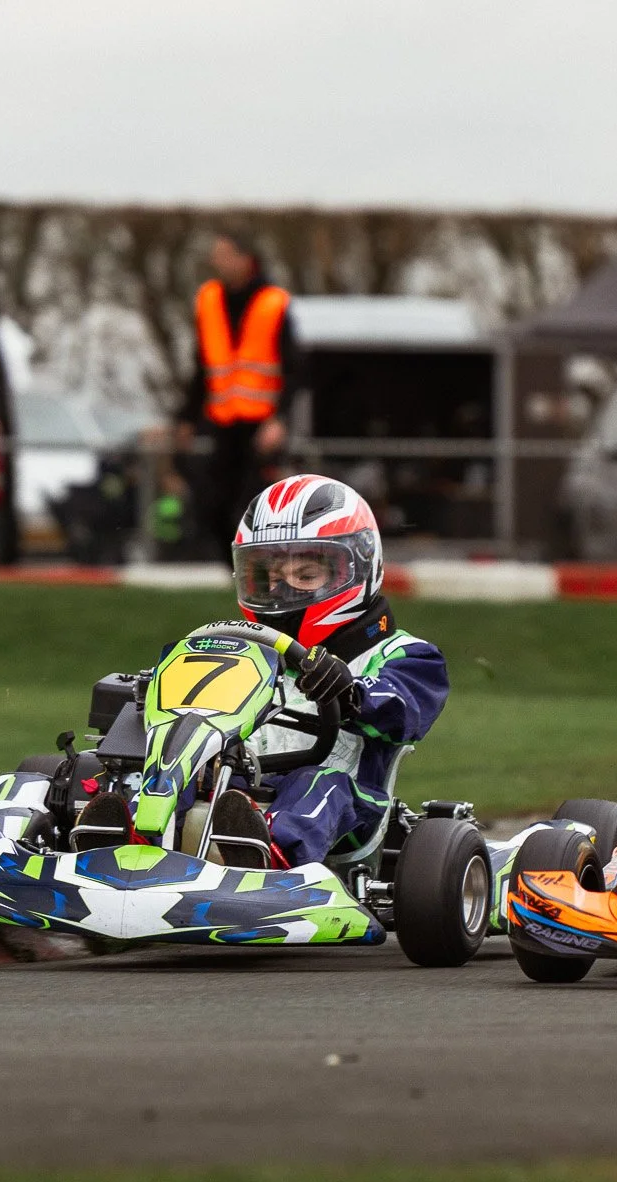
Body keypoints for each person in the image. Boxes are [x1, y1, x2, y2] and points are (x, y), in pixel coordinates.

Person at [205, 474, 450, 869]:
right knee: (185, 775)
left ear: (357, 567)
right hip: (247, 787)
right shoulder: (245, 655)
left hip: (348, 805)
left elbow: (401, 709)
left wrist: (350, 692)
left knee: (316, 783)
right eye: (270, 578)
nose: (284, 592)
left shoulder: (406, 655)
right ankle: (123, 838)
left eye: (305, 576)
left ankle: (274, 860)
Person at [172, 231, 303, 563]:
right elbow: (202, 367)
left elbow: (296, 370)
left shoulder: (273, 302)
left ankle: (262, 568)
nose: (218, 261)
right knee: (211, 499)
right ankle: (229, 567)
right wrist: (186, 418)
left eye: (225, 254)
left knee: (257, 502)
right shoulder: (209, 299)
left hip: (262, 427)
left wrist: (280, 419)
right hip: (222, 423)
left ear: (246, 259)